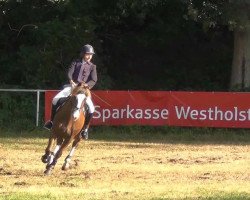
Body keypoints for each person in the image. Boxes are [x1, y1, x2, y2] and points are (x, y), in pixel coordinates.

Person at [44, 44, 97, 139]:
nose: (89, 56)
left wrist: (87, 85)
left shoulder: (92, 66)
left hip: (84, 90)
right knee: (55, 99)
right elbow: (69, 73)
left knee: (91, 108)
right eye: (87, 54)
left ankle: (85, 129)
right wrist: (71, 81)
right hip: (72, 87)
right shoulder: (75, 63)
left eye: (91, 55)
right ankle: (51, 122)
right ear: (83, 54)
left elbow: (94, 79)